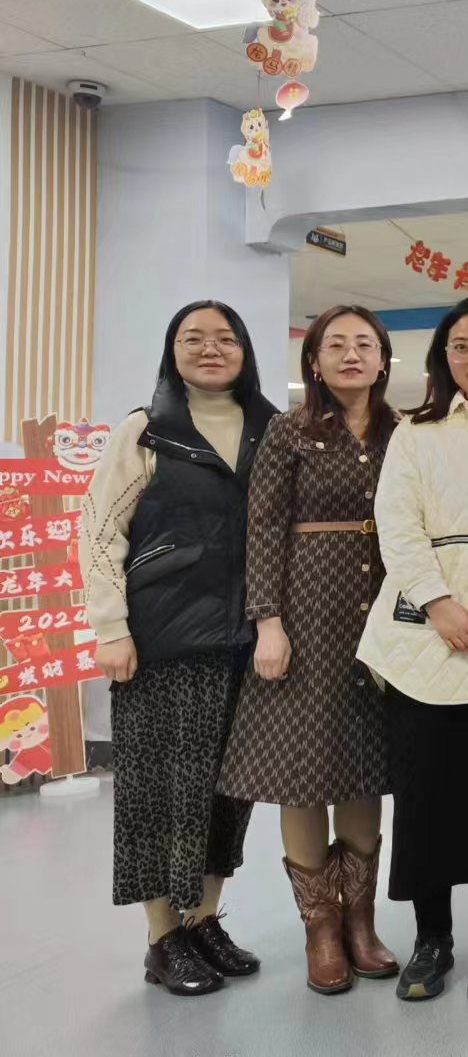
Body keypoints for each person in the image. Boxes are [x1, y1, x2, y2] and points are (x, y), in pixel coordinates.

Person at [83, 301, 278, 995]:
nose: (210, 348)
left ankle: (203, 920)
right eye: (193, 338)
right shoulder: (146, 429)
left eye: (225, 338)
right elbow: (100, 532)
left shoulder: (271, 429)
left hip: (246, 641)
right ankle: (163, 936)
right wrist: (111, 628)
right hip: (162, 640)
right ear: (173, 351)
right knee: (159, 793)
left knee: (228, 793)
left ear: (245, 350)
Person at [354, 295, 468, 1003]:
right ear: (443, 359)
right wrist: (439, 603)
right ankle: (431, 939)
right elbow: (397, 525)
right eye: (461, 346)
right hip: (423, 639)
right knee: (425, 799)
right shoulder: (417, 432)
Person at [219, 305, 400, 994]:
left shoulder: (403, 430)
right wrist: (268, 621)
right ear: (315, 362)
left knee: (363, 766)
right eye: (336, 344)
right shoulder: (289, 431)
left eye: (364, 344)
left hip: (380, 613)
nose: (351, 354)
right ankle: (321, 930)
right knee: (303, 769)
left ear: (383, 359)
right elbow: (263, 527)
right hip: (305, 615)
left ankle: (361, 921)